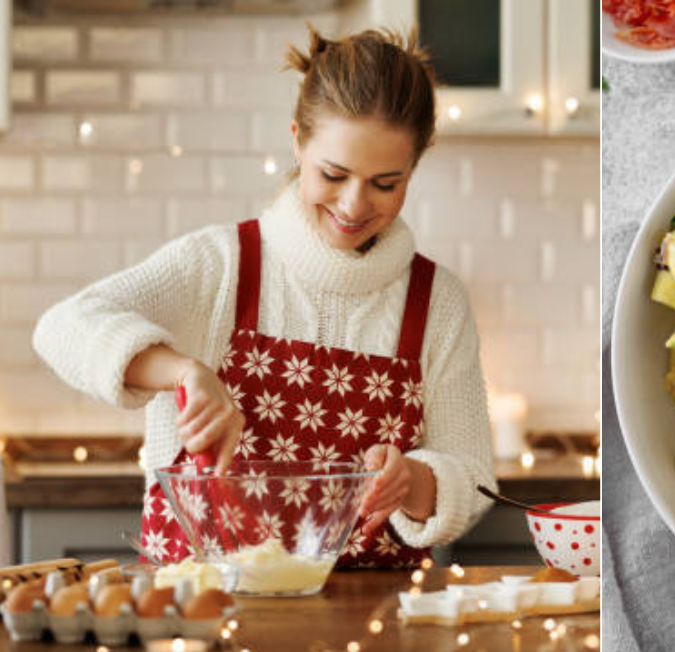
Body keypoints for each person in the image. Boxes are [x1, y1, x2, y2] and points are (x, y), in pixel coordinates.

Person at [32, 24, 496, 568]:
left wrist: (414, 481)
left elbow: (474, 479)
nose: (353, 204)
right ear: (298, 139)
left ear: (414, 167)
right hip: (203, 617)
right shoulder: (221, 264)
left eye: (385, 183)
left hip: (371, 631)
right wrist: (183, 372)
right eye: (334, 173)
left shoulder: (438, 301)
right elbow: (62, 327)